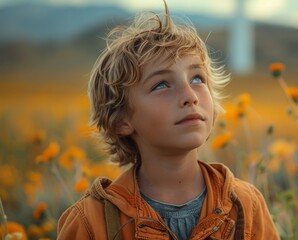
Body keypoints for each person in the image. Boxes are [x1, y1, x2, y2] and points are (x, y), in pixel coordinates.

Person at [57, 1, 279, 239]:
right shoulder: (91, 222)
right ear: (121, 120)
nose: (190, 96)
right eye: (161, 84)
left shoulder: (247, 205)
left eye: (197, 79)